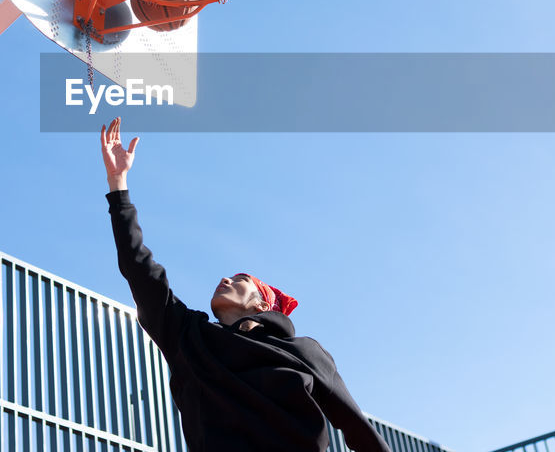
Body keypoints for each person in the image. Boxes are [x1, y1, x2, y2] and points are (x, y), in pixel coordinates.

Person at [99, 117, 392, 452]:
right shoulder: (189, 337)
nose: (225, 279)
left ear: (262, 304)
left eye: (240, 279)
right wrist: (118, 185)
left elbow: (359, 430)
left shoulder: (304, 351)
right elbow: (140, 270)